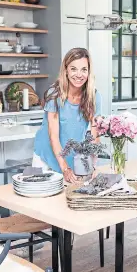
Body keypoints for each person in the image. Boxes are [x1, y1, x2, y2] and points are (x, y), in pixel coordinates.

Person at [33, 47, 102, 183]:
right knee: (40, 202)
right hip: (45, 157)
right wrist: (64, 168)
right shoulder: (54, 94)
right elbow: (53, 136)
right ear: (66, 70)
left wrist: (92, 165)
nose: (79, 74)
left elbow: (95, 136)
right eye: (73, 69)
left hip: (72, 158)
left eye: (84, 69)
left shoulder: (94, 96)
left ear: (89, 72)